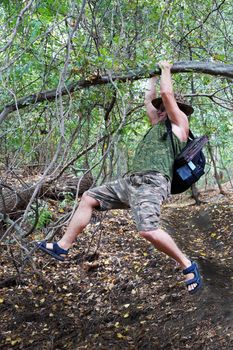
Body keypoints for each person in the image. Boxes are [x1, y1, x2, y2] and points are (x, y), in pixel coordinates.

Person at [38, 61, 202, 295]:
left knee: (147, 231)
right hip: (131, 181)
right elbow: (149, 99)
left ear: (177, 109)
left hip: (153, 182)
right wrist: (154, 75)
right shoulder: (157, 125)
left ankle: (188, 265)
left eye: (166, 107)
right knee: (88, 197)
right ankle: (63, 246)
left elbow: (167, 94)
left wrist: (166, 69)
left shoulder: (179, 126)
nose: (161, 109)